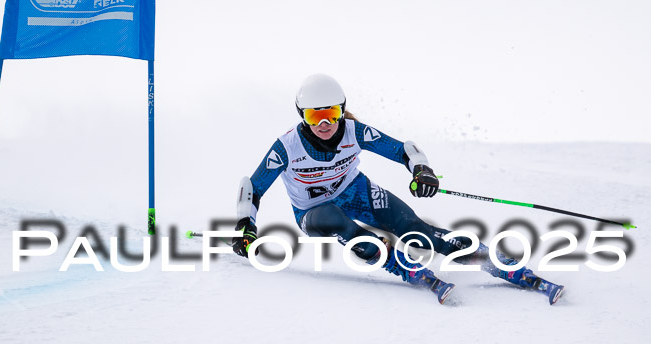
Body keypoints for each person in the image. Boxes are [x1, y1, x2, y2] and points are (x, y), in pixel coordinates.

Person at [232, 73, 563, 305]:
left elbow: (404, 149)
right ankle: (408, 269)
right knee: (337, 220)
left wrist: (421, 170)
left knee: (421, 233)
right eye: (315, 115)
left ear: (341, 110)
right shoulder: (287, 146)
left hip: (356, 191)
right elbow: (254, 185)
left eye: (332, 113)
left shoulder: (354, 131)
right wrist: (246, 225)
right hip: (313, 212)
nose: (325, 124)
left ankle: (509, 267)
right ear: (302, 115)